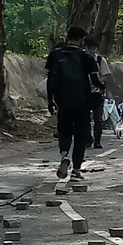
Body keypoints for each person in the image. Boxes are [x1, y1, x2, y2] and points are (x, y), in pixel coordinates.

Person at [44, 28, 101, 180]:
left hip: (62, 100)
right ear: (82, 40)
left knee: (64, 131)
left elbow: (50, 80)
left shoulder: (55, 55)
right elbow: (95, 81)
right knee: (81, 135)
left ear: (67, 37)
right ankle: (76, 169)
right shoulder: (86, 57)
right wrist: (102, 88)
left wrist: (51, 100)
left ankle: (64, 156)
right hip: (82, 101)